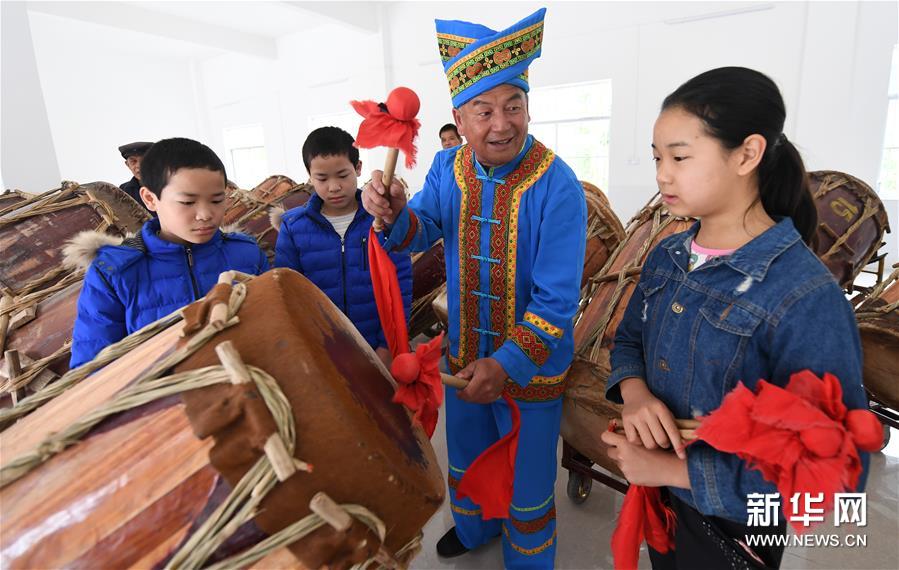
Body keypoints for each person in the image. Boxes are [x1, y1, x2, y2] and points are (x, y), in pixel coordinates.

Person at [600, 67, 870, 569]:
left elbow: (838, 473)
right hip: (667, 504)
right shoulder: (668, 257)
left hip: (741, 526)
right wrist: (635, 395)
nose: (662, 174)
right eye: (659, 157)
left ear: (747, 154)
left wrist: (671, 471)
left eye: (680, 157)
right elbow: (630, 342)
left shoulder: (803, 295)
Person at [362, 8, 586, 569]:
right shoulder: (447, 166)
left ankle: (528, 559)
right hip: (464, 355)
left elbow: (557, 302)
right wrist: (392, 215)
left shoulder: (558, 185)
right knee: (465, 453)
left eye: (513, 106)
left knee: (528, 473)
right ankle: (475, 526)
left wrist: (507, 365)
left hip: (530, 367)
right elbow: (424, 228)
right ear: (460, 119)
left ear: (529, 108)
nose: (501, 123)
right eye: (483, 110)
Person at [69, 138, 269, 368]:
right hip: (161, 399)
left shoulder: (246, 253)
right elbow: (91, 370)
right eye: (187, 202)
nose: (205, 214)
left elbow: (274, 326)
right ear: (150, 199)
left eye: (217, 200)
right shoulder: (114, 272)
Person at [274, 126, 412, 367]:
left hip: (377, 346)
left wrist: (387, 345)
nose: (334, 186)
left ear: (358, 169)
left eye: (342, 175)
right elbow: (288, 295)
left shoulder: (382, 219)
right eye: (322, 178)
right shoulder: (293, 228)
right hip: (321, 349)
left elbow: (401, 286)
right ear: (309, 175)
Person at [118, 141, 154, 212]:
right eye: (133, 161)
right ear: (127, 165)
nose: (139, 166)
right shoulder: (124, 191)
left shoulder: (171, 185)